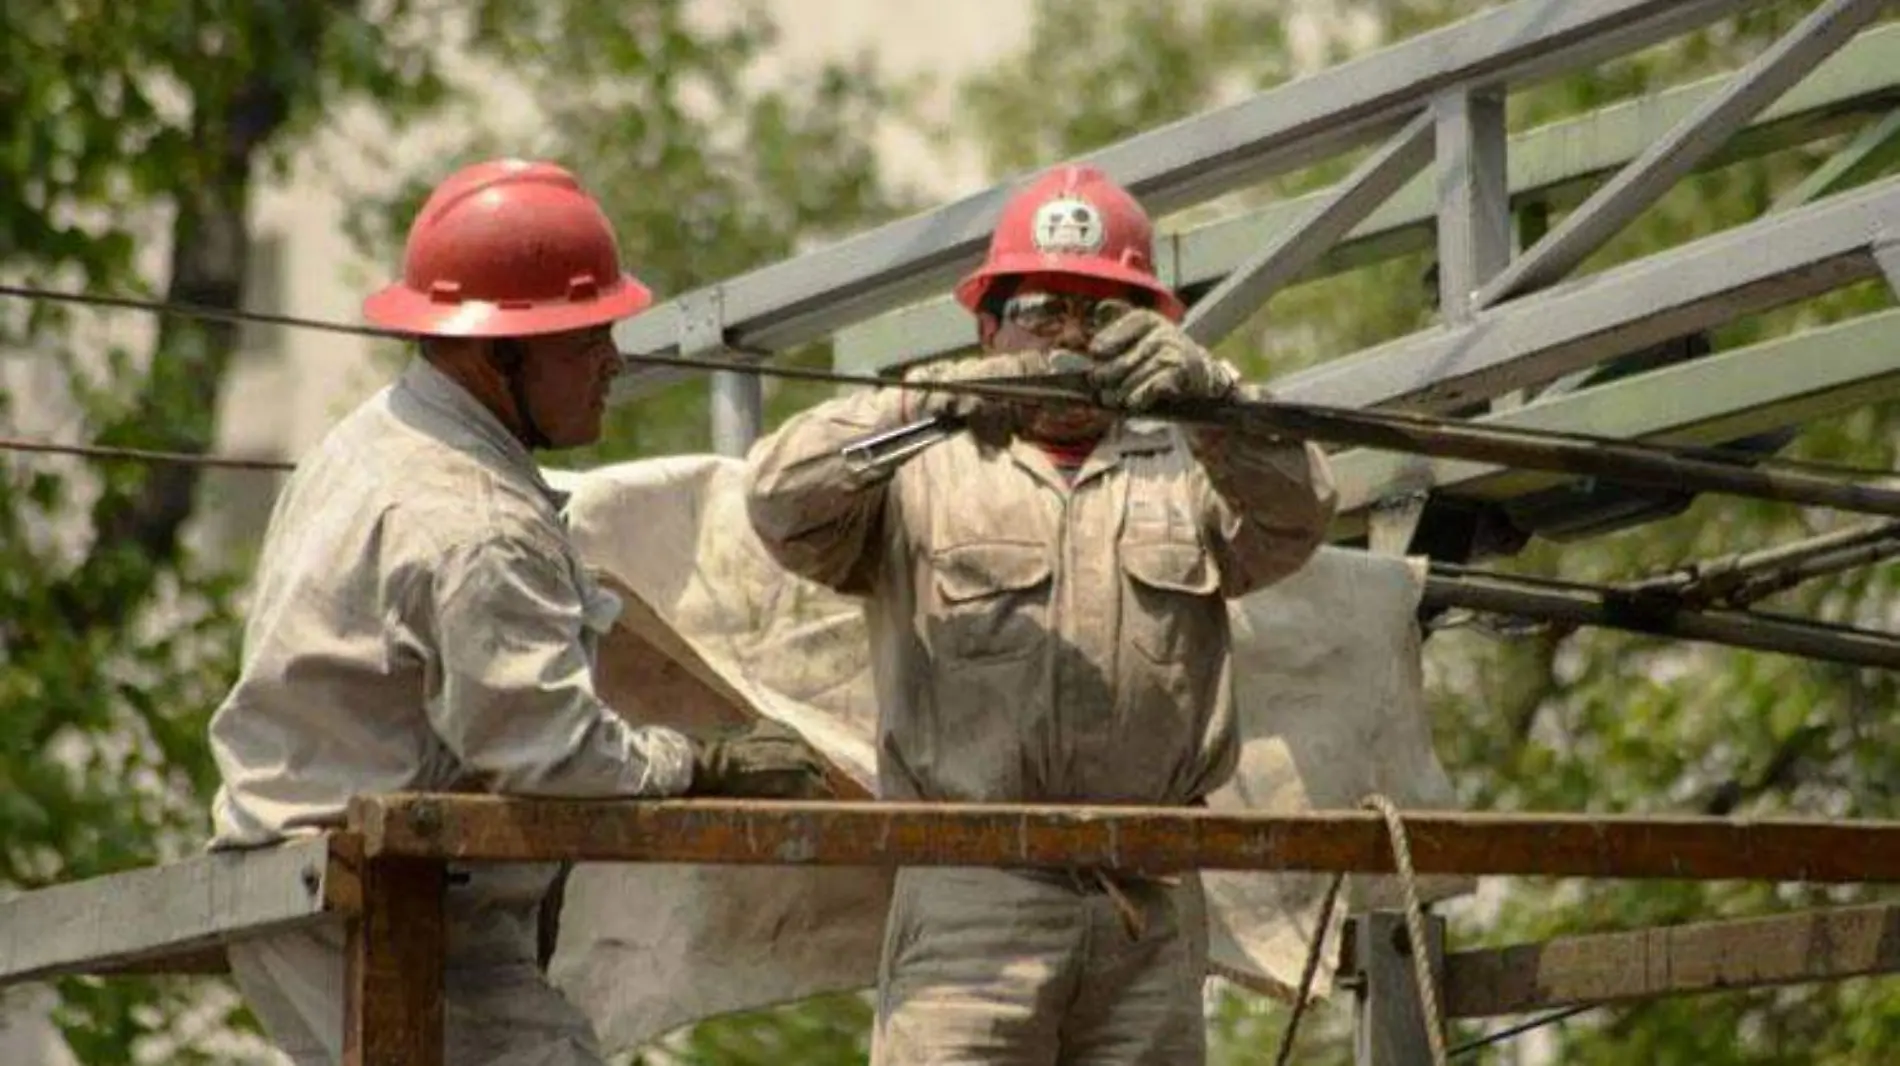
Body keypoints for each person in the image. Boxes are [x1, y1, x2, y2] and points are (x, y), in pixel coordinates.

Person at [207, 158, 829, 1066]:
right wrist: (703, 763)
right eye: (585, 341)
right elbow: (551, 753)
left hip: (323, 897)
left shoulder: (375, 437)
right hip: (387, 904)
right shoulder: (472, 520)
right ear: (500, 355)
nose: (613, 362)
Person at [743, 164, 1338, 1066]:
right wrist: (929, 401)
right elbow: (779, 499)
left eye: (1103, 316)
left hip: (1148, 892)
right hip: (973, 898)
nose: (1070, 340)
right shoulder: (921, 471)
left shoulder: (1188, 470)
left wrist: (1217, 399)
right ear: (988, 328)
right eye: (1042, 312)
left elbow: (1302, 514)